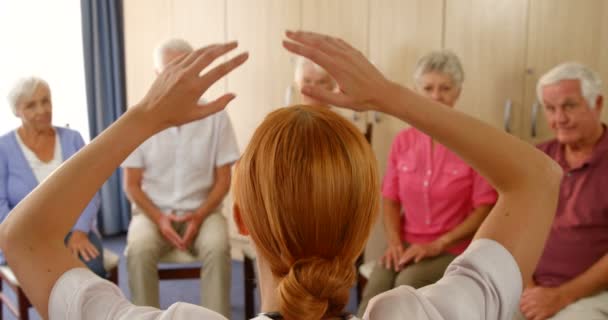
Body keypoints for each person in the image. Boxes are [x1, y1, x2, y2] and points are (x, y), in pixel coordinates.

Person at [0, 32, 562, 320]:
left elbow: (24, 238)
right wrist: (393, 97)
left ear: (240, 216)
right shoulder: (426, 314)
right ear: (368, 214)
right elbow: (537, 179)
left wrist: (143, 117)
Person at [358, 50, 497, 315]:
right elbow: (390, 199)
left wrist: (438, 245)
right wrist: (395, 242)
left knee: (407, 284)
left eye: (445, 88)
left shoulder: (473, 143)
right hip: (408, 244)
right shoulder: (403, 141)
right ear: (416, 92)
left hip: (452, 248)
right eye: (428, 88)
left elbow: (484, 209)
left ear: (457, 93)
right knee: (378, 284)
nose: (436, 96)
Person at [121, 38, 238, 317]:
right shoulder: (138, 117)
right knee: (138, 249)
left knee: (218, 245)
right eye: (167, 73)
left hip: (204, 212)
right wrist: (160, 218)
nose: (174, 81)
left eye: (182, 72)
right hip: (151, 214)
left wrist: (198, 216)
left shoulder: (217, 117)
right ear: (156, 75)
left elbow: (224, 179)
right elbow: (131, 185)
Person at [514, 63, 608, 320]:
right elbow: (515, 227)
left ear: (597, 103)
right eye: (550, 108)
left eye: (569, 106)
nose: (559, 119)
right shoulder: (537, 158)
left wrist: (562, 295)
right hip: (530, 287)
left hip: (592, 293)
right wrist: (529, 287)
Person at [0, 76, 105, 277]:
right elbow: (0, 203)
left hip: (74, 228)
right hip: (26, 237)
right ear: (17, 111)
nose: (42, 110)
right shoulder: (3, 148)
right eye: (31, 105)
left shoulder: (72, 139)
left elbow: (90, 189)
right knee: (48, 279)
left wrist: (81, 231)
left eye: (45, 101)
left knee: (91, 271)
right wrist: (24, 239)